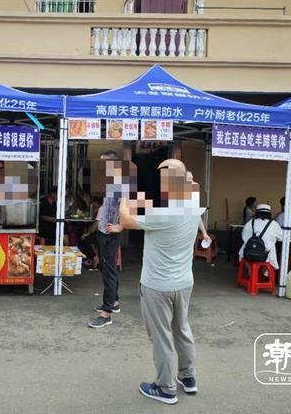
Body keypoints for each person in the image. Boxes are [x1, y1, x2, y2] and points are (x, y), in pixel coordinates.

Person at [108, 159, 200, 405]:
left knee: (162, 337)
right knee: (182, 329)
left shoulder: (163, 214)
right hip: (184, 283)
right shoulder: (193, 205)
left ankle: (166, 388)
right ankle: (188, 378)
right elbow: (192, 184)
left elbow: (126, 221)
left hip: (158, 286)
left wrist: (125, 196)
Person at [88, 150, 124, 329]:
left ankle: (106, 313)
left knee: (109, 270)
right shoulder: (108, 181)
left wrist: (120, 226)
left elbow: (130, 207)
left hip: (112, 231)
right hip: (103, 229)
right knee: (104, 266)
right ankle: (114, 302)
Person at [239, 204, 283, 270]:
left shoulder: (250, 222)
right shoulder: (274, 224)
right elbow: (281, 238)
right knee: (271, 247)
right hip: (265, 256)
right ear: (269, 214)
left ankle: (251, 271)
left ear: (257, 213)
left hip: (248, 254)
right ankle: (265, 272)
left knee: (244, 246)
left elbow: (243, 236)